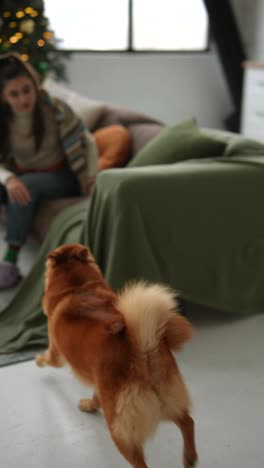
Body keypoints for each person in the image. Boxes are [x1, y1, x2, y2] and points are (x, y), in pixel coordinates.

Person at [0, 53, 98, 289]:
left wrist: (92, 176)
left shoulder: (55, 110)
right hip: (21, 174)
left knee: (27, 187)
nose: (23, 99)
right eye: (14, 94)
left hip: (61, 177)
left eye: (27, 89)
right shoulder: (2, 118)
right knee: (19, 185)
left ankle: (10, 262)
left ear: (34, 84)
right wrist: (9, 178)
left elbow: (88, 142)